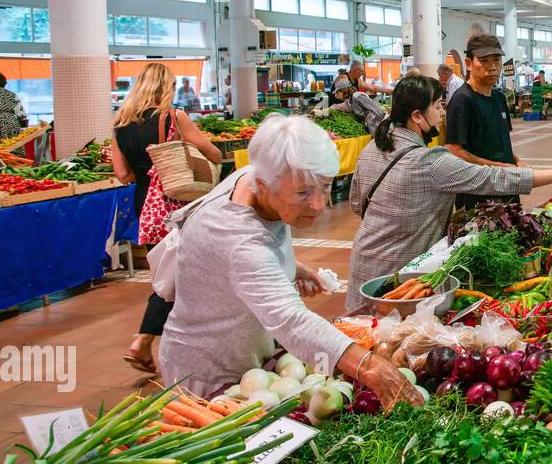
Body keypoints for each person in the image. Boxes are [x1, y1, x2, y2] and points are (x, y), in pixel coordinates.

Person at [157, 114, 419, 406]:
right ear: (263, 184)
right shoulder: (237, 238)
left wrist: (290, 269)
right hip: (209, 374)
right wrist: (372, 368)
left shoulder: (253, 177)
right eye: (303, 192)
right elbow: (290, 319)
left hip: (249, 359)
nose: (319, 204)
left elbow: (242, 264)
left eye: (325, 186)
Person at [347, 75, 552, 311]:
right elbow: (492, 179)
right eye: (438, 106)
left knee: (363, 331)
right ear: (417, 116)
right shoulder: (429, 161)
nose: (443, 113)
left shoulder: (372, 147)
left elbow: (357, 203)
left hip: (364, 266)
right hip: (401, 280)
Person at [109, 63, 224, 373]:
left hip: (143, 206)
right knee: (176, 277)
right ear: (166, 88)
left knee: (166, 273)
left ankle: (161, 341)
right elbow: (213, 153)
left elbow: (122, 175)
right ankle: (144, 339)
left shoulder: (119, 125)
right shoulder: (173, 118)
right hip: (174, 204)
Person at [445, 33, 520, 208]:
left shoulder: (499, 97)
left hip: (506, 187)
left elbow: (500, 144)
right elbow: (454, 150)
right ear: (469, 63)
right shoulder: (463, 99)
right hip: (478, 195)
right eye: (484, 61)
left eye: (496, 60)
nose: (492, 67)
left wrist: (516, 162)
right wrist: (497, 167)